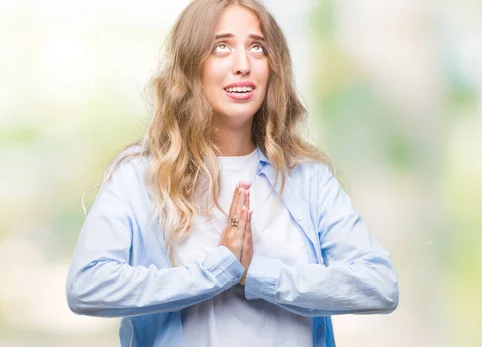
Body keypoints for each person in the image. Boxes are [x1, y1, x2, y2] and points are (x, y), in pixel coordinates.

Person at [66, 0, 398, 346]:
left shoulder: (307, 177)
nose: (243, 65)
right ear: (191, 65)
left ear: (273, 67)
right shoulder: (141, 176)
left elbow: (379, 285)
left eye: (257, 47)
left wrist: (257, 273)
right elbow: (87, 286)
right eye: (221, 47)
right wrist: (218, 270)